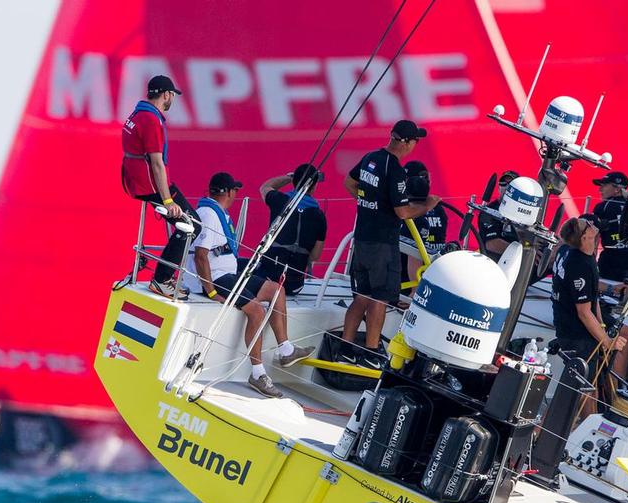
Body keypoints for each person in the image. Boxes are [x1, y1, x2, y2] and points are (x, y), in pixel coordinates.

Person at [189, 172, 315, 398]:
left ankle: (285, 349)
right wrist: (211, 291)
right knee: (257, 310)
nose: (236, 194)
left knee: (276, 290)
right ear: (227, 192)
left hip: (228, 272)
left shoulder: (215, 212)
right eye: (235, 190)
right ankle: (257, 374)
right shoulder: (208, 215)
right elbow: (200, 256)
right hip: (218, 279)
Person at [342, 120, 441, 368]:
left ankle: (345, 347)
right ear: (406, 142)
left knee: (362, 296)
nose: (416, 145)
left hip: (362, 239)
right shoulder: (395, 169)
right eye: (415, 140)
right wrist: (427, 206)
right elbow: (402, 212)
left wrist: (370, 204)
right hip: (382, 244)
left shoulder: (371, 157)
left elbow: (349, 183)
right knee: (380, 297)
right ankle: (371, 352)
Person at [121, 75, 200, 299]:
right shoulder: (150, 120)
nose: (171, 100)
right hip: (151, 185)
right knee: (191, 224)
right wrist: (168, 200)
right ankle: (162, 279)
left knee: (187, 224)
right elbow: (156, 163)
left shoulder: (138, 113)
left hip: (137, 182)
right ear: (166, 94)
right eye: (172, 95)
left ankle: (165, 276)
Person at [552, 216, 628, 415]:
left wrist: (602, 326)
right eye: (587, 225)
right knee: (586, 391)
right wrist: (607, 342)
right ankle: (588, 429)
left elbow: (592, 299)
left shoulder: (581, 255)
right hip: (575, 334)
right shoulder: (579, 263)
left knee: (590, 390)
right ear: (584, 237)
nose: (592, 226)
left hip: (576, 327)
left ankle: (607, 402)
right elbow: (583, 311)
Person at [258, 164, 328, 295]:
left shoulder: (279, 200)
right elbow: (315, 256)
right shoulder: (320, 216)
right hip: (294, 285)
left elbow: (265, 187)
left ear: (294, 181)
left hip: (268, 279)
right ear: (314, 186)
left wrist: (288, 178)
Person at [399, 160, 448, 287]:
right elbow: (413, 253)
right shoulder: (437, 208)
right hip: (418, 276)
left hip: (423, 274)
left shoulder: (401, 209)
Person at [592, 171, 628, 282]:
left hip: (610, 269)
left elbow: (593, 238)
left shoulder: (603, 207)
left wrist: (590, 266)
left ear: (617, 189)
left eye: (604, 185)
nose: (600, 189)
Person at [478, 170, 520, 260]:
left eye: (511, 184)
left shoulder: (525, 210)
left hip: (520, 262)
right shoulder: (489, 211)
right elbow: (492, 244)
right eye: (503, 183)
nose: (506, 187)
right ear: (498, 188)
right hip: (496, 266)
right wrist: (523, 254)